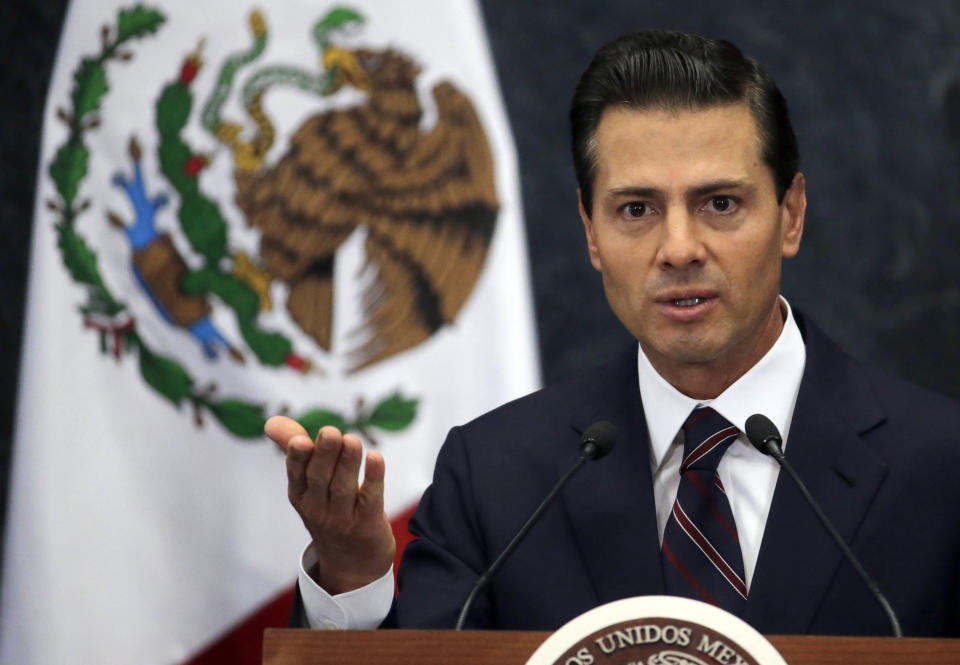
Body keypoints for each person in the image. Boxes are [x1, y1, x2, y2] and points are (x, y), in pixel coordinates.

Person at [265, 30, 960, 635]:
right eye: (636, 209)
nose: (680, 247)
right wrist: (353, 575)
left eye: (720, 203)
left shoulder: (941, 466)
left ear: (792, 214)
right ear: (591, 232)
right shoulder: (498, 476)